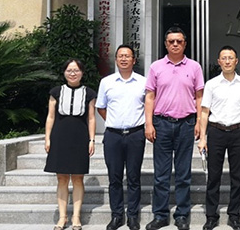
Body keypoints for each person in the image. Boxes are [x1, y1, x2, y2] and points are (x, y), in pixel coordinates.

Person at [145, 27, 204, 230]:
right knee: (161, 175)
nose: (175, 44)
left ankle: (182, 215)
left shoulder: (194, 67)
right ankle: (160, 215)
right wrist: (148, 123)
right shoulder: (156, 67)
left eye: (179, 41)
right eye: (171, 41)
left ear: (185, 44)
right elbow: (150, 96)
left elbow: (199, 97)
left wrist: (199, 122)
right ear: (166, 44)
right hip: (161, 124)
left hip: (186, 124)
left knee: (183, 174)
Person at [198, 45, 240, 230]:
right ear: (219, 62)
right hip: (216, 131)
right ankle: (211, 216)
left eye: (231, 58)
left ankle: (234, 215)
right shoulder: (211, 84)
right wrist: (203, 137)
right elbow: (204, 111)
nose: (227, 61)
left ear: (236, 61)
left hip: (238, 132)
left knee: (236, 176)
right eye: (224, 58)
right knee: (213, 176)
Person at [96, 45, 147, 230]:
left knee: (134, 177)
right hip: (113, 136)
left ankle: (133, 216)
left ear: (134, 60)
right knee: (114, 178)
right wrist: (113, 121)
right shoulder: (106, 82)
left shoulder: (143, 82)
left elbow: (149, 106)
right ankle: (117, 215)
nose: (124, 59)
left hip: (135, 135)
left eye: (127, 56)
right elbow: (101, 107)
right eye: (120, 56)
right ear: (116, 60)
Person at [44, 59, 97, 230]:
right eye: (69, 70)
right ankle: (62, 217)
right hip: (60, 137)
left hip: (80, 138)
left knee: (78, 177)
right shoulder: (56, 92)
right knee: (61, 177)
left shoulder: (89, 93)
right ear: (64, 72)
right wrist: (47, 138)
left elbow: (91, 118)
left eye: (76, 70)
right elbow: (50, 116)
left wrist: (92, 140)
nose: (72, 73)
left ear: (82, 72)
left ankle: (76, 217)